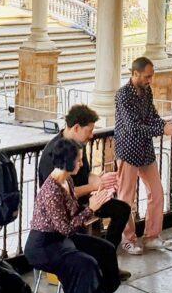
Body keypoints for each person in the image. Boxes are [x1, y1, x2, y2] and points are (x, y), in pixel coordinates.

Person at [25, 137, 121, 293]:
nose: (81, 164)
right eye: (78, 160)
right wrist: (92, 209)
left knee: (105, 250)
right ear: (67, 162)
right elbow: (66, 229)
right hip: (45, 247)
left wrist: (99, 200)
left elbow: (73, 215)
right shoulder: (51, 191)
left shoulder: (66, 180)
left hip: (61, 240)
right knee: (87, 266)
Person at [115, 57, 172, 255]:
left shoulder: (147, 91)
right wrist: (164, 130)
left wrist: (167, 126)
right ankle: (127, 239)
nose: (150, 80)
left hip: (145, 149)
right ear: (135, 73)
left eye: (151, 76)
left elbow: (153, 116)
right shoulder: (123, 95)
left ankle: (152, 236)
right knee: (125, 199)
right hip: (128, 150)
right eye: (147, 76)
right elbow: (133, 127)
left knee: (156, 192)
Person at [38, 104, 130, 248]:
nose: (92, 135)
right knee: (82, 238)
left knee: (122, 209)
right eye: (89, 130)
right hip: (65, 211)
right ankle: (99, 256)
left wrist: (100, 180)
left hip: (83, 201)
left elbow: (85, 172)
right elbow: (61, 194)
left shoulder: (79, 145)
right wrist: (93, 187)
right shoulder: (53, 153)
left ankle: (108, 253)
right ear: (76, 128)